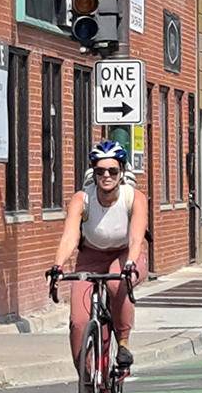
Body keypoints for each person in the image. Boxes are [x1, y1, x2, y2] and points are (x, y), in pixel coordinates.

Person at [49, 141, 150, 373]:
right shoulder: (82, 199)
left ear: (121, 172)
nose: (106, 175)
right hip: (91, 256)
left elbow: (136, 239)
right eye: (100, 171)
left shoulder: (133, 198)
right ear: (93, 173)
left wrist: (131, 264)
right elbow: (70, 237)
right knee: (78, 322)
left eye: (113, 170)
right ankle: (85, 383)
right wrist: (58, 266)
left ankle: (123, 342)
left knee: (117, 281)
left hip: (125, 253)